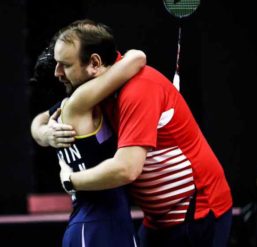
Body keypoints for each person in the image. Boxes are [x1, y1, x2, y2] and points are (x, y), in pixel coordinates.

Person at [31, 19, 233, 247]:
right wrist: (44, 134)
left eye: (65, 65)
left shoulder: (138, 90)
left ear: (95, 62)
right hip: (156, 219)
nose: (58, 73)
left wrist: (70, 181)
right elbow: (42, 118)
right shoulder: (99, 87)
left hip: (197, 213)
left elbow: (127, 169)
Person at [31, 20, 146, 247]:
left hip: (113, 224)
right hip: (94, 227)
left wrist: (42, 133)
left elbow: (38, 120)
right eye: (57, 65)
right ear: (93, 62)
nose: (58, 72)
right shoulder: (79, 101)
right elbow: (137, 58)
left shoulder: (69, 105)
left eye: (64, 65)